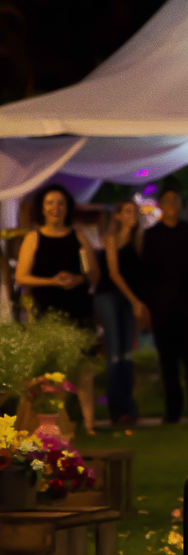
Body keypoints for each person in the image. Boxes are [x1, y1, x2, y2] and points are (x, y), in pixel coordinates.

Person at [14, 184, 101, 435]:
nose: (55, 208)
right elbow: (21, 277)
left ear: (67, 208)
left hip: (78, 309)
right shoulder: (34, 238)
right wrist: (52, 281)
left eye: (60, 203)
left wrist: (77, 279)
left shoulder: (78, 236)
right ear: (42, 208)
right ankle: (56, 424)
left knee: (84, 368)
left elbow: (93, 274)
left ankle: (90, 424)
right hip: (47, 311)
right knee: (52, 372)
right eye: (50, 203)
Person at [141, 187, 188, 423]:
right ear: (161, 205)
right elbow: (146, 273)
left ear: (180, 206)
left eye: (175, 201)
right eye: (167, 201)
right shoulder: (151, 236)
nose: (171, 205)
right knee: (168, 361)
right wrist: (150, 303)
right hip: (162, 307)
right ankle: (172, 411)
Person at [95, 199, 147, 425]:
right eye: (127, 211)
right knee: (115, 353)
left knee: (127, 354)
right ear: (117, 215)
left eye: (134, 211)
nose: (132, 215)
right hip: (109, 296)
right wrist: (135, 301)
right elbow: (114, 274)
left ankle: (129, 408)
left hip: (128, 300)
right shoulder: (111, 239)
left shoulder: (138, 241)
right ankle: (116, 409)